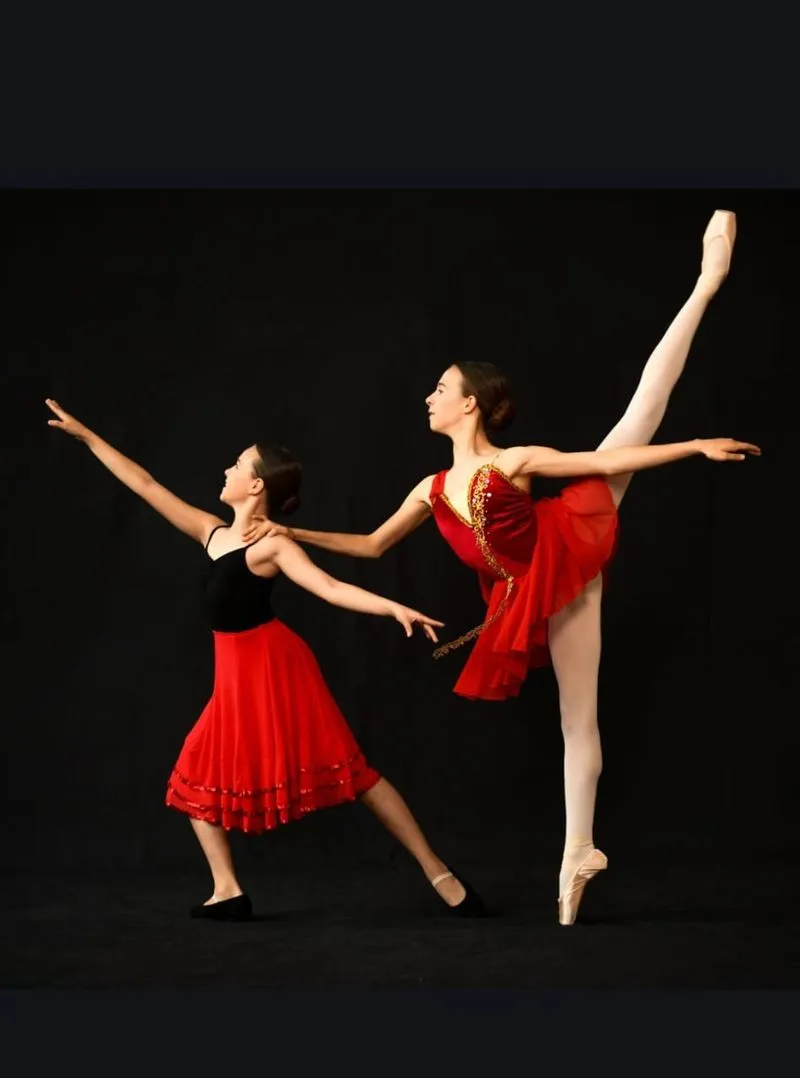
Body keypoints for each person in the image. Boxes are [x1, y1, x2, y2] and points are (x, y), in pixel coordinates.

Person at [244, 209, 761, 925]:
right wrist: (291, 530)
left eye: (440, 388)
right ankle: (580, 855)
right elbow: (370, 546)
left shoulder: (513, 462)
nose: (428, 397)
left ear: (471, 404)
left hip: (563, 554)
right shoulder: (430, 488)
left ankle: (706, 283)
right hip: (522, 591)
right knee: (574, 719)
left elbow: (612, 458)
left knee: (636, 422)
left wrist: (694, 445)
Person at [45, 400, 487, 921]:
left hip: (275, 668)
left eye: (237, 464)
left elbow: (329, 587)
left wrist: (392, 607)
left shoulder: (270, 546)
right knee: (193, 774)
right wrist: (89, 437)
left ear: (256, 485)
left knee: (354, 774)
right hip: (234, 675)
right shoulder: (211, 532)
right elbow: (144, 484)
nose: (226, 469)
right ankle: (227, 890)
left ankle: (438, 871)